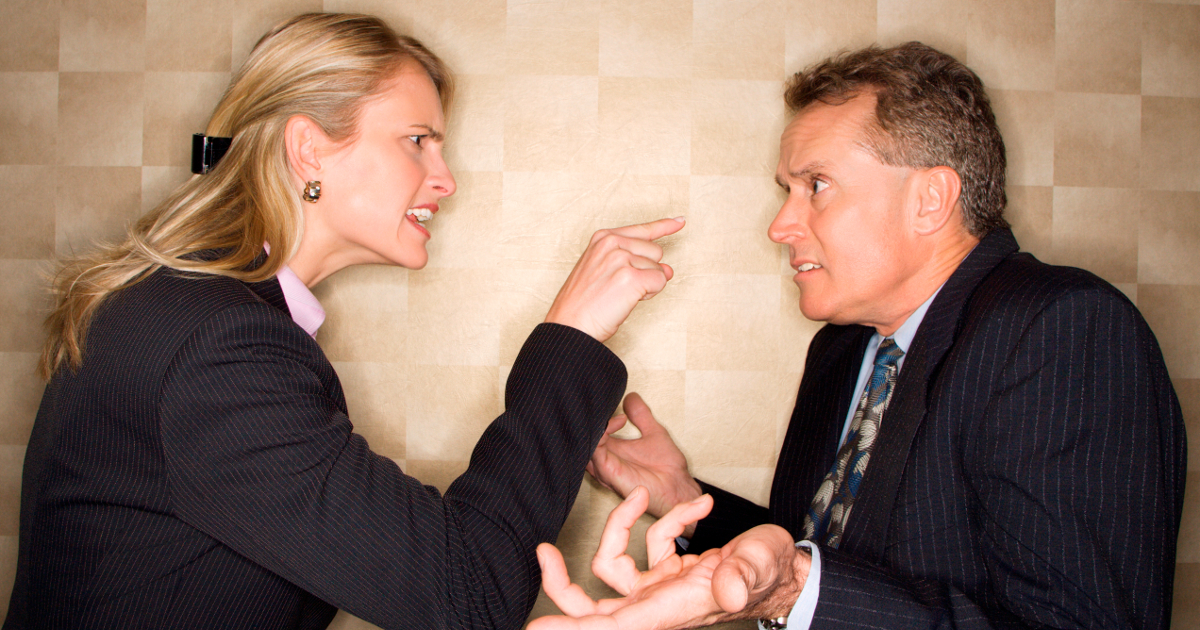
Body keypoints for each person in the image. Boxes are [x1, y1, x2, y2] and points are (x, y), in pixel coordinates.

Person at [5, 13, 684, 630]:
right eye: (418, 141)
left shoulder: (196, 310)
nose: (446, 179)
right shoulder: (219, 346)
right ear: (308, 150)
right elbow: (468, 591)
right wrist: (572, 339)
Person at [531, 42, 1187, 630]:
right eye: (786, 189)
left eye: (815, 186)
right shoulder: (844, 349)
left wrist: (788, 589)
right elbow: (824, 558)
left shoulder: (1060, 331)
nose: (780, 225)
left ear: (929, 200)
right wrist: (686, 498)